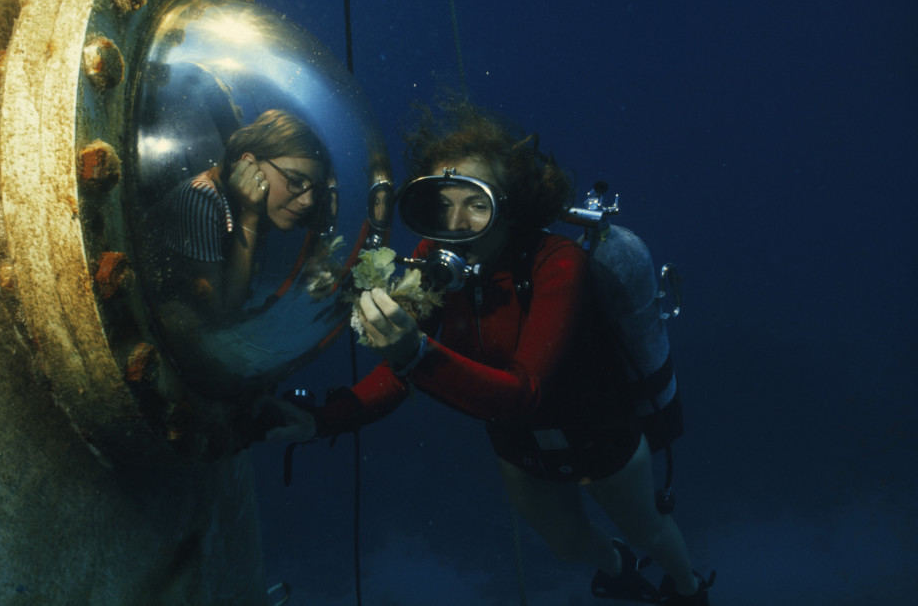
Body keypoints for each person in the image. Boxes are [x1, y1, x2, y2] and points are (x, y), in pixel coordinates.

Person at [266, 102, 713, 604]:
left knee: (649, 531)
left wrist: (415, 353)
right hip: (518, 446)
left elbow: (528, 395)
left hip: (599, 437)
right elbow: (400, 373)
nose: (455, 224)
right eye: (443, 203)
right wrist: (323, 420)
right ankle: (616, 567)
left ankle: (689, 588)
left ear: (510, 207)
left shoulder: (555, 263)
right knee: (568, 547)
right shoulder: (427, 259)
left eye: (475, 204)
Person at [154, 108, 330, 319]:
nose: (307, 201)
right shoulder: (200, 196)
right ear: (249, 164)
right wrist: (249, 216)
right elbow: (220, 313)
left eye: (315, 190)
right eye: (295, 181)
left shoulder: (247, 204)